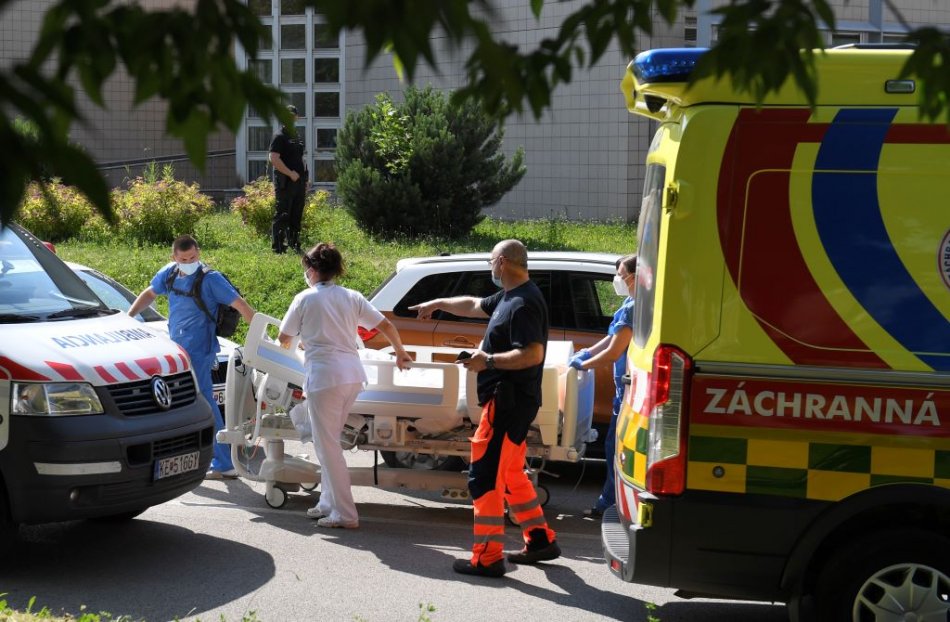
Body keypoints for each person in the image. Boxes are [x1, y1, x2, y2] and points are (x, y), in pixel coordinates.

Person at [410, 239, 560, 578]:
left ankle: (488, 558)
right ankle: (540, 540)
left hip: (507, 403)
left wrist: (487, 360)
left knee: (485, 478)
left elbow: (533, 354)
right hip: (513, 401)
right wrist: (438, 303)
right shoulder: (510, 296)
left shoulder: (523, 303)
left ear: (502, 262)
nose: (489, 266)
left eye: (490, 261)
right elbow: (474, 304)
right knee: (511, 474)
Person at [277, 242, 412, 528]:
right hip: (351, 376)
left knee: (328, 449)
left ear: (312, 270)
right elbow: (386, 326)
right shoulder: (352, 297)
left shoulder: (305, 299)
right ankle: (327, 503)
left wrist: (302, 342)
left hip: (325, 379)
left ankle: (346, 514)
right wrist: (400, 352)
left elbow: (283, 337)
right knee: (329, 443)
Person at [128, 234, 256, 479]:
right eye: (184, 259)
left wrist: (261, 335)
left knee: (203, 402)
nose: (189, 262)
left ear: (199, 254)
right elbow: (150, 293)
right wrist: (129, 316)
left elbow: (240, 305)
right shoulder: (169, 273)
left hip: (199, 350)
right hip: (177, 350)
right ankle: (205, 456)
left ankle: (223, 461)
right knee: (184, 401)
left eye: (193, 257)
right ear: (174, 257)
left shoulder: (211, 279)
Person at [570, 254, 637, 518]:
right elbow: (611, 339)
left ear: (634, 277)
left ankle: (610, 505)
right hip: (625, 389)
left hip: (628, 392)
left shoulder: (634, 308)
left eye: (621, 275)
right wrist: (586, 353)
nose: (617, 280)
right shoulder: (631, 302)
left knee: (616, 450)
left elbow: (613, 352)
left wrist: (584, 365)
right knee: (614, 448)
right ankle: (611, 502)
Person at [269, 104, 309, 254]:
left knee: (297, 213)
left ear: (297, 117)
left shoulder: (297, 136)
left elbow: (301, 158)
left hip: (299, 181)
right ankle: (278, 248)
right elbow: (273, 158)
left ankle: (294, 243)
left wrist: (305, 178)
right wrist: (290, 173)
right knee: (283, 214)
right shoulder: (279, 136)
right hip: (285, 182)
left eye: (293, 116)